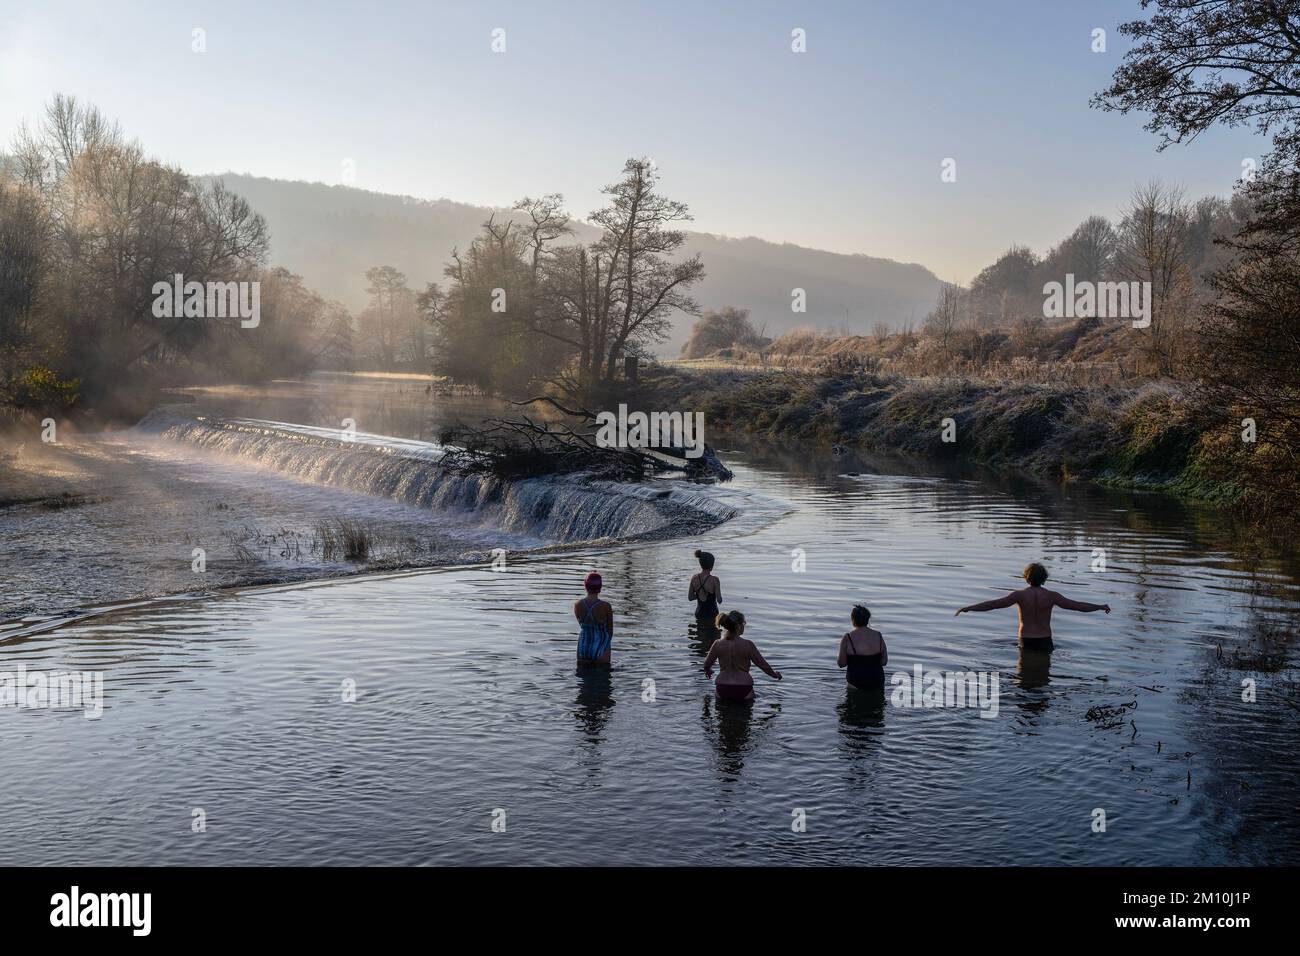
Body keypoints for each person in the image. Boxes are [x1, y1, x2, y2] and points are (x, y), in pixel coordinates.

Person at [955, 562, 1110, 651]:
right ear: (1045, 578)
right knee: (1043, 675)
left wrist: (969, 607)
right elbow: (1078, 606)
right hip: (1045, 640)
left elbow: (993, 605)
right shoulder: (1052, 596)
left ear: (1026, 578)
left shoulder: (1019, 595)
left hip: (1026, 640)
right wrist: (1100, 606)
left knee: (1024, 674)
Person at [703, 610, 782, 701]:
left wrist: (708, 671)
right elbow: (763, 666)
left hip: (722, 688)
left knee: (722, 714)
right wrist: (774, 675)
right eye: (744, 624)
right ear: (739, 626)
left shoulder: (718, 644)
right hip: (744, 688)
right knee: (744, 714)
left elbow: (706, 665)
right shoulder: (748, 645)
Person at [837, 604, 887, 690]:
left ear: (853, 620)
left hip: (855, 681)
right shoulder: (878, 636)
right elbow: (884, 662)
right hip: (877, 680)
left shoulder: (847, 638)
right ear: (867, 619)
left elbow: (842, 664)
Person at [574, 571, 613, 664]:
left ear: (585, 586)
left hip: (583, 644)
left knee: (583, 674)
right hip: (601, 644)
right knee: (603, 674)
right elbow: (610, 630)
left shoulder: (577, 605)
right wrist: (604, 645)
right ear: (600, 588)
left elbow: (581, 624)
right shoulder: (606, 606)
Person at [688, 550, 721, 625]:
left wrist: (699, 595)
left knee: (699, 634)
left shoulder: (694, 578)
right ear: (711, 565)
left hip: (699, 613)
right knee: (713, 635)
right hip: (712, 614)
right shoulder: (715, 580)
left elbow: (690, 597)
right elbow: (719, 600)